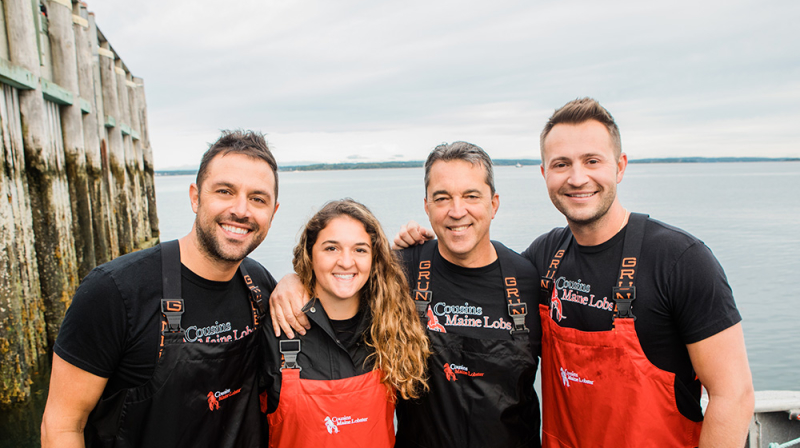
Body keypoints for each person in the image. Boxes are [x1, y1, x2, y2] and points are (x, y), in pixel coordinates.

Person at [396, 99, 755, 447]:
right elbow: (478, 277)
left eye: (592, 161)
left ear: (620, 166)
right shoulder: (542, 258)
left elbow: (733, 396)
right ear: (545, 174)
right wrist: (417, 246)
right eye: (562, 164)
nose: (577, 177)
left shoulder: (680, 260)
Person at [270, 142, 541, 448]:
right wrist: (291, 281)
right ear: (427, 207)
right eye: (442, 198)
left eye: (471, 196)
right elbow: (344, 276)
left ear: (494, 204)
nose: (456, 211)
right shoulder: (403, 267)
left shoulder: (528, 277)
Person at [41, 130, 281, 448]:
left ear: (273, 212)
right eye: (225, 191)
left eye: (257, 199)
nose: (241, 209)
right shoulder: (114, 291)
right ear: (195, 197)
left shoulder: (261, 287)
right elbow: (62, 425)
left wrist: (294, 284)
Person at [261, 199, 430, 447]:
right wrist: (290, 279)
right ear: (310, 254)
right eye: (331, 248)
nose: (346, 262)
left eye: (360, 250)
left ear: (375, 258)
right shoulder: (278, 327)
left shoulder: (392, 327)